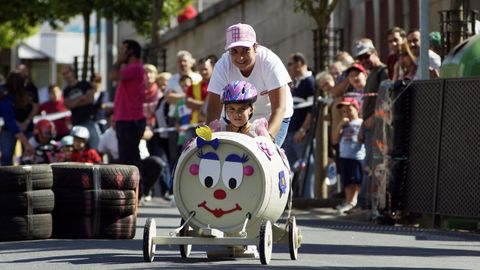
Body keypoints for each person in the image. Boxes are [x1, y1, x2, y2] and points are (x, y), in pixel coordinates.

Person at [206, 23, 293, 146]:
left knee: (266, 156)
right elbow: (213, 111)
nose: (240, 57)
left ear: (255, 47)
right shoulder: (222, 65)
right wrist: (208, 139)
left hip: (271, 115)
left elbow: (279, 108)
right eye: (234, 51)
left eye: (245, 50)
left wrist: (268, 139)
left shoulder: (269, 61)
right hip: (237, 116)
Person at [110, 39, 147, 168]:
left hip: (130, 121)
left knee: (129, 161)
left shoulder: (135, 68)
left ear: (130, 52)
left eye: (122, 50)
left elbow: (113, 75)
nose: (119, 53)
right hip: (126, 121)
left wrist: (118, 61)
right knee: (127, 159)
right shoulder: (132, 69)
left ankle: (137, 187)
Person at [332, 98, 365, 214]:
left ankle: (353, 201)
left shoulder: (361, 122)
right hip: (344, 155)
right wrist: (340, 124)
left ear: (357, 109)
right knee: (346, 181)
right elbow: (334, 140)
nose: (347, 114)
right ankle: (348, 200)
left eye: (349, 110)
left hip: (356, 156)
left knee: (355, 180)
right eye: (344, 111)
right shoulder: (344, 124)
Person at [284, 52, 314, 169]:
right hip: (290, 133)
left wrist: (302, 130)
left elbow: (312, 110)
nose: (289, 68)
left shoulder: (310, 81)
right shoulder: (297, 83)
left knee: (307, 168)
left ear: (299, 64)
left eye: (290, 64)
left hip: (301, 134)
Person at [62, 65, 100, 149]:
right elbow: (68, 105)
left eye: (67, 72)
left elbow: (90, 99)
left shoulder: (84, 84)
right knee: (78, 149)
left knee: (95, 147)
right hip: (77, 123)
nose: (66, 75)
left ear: (73, 72)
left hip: (89, 121)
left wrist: (74, 102)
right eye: (64, 74)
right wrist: (81, 98)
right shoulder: (66, 90)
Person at [0, 74, 34, 165]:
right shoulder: (4, 97)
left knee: (26, 158)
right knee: (6, 157)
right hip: (10, 128)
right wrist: (26, 143)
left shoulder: (9, 94)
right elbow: (11, 123)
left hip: (23, 127)